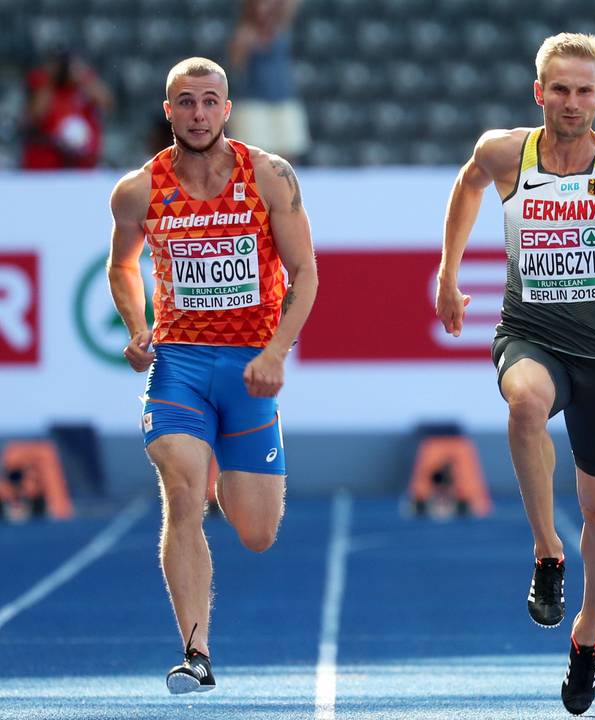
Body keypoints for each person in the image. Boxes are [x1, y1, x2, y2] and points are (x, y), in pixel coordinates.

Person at [434, 33, 595, 715]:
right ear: (539, 93)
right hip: (529, 333)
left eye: (583, 90)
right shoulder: (506, 152)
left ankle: (588, 635)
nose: (571, 102)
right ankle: (545, 551)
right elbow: (467, 183)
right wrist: (447, 272)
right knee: (525, 402)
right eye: (558, 89)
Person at [105, 57, 318, 695]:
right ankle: (195, 652)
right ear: (168, 111)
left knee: (256, 532)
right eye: (185, 103)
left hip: (250, 365)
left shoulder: (270, 176)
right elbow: (122, 267)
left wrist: (277, 352)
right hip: (180, 364)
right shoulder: (138, 191)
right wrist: (135, 326)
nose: (198, 114)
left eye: (209, 102)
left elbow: (305, 275)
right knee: (183, 491)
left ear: (227, 110)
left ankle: (227, 459)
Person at [227, 0, 310, 161]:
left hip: (284, 98)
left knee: (288, 157)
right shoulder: (244, 34)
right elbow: (236, 67)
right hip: (252, 101)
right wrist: (245, 46)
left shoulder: (282, 26)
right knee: (255, 158)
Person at [21, 49, 114, 169]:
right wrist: (50, 79)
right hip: (47, 162)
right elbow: (36, 115)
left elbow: (107, 103)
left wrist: (82, 76)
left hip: (83, 161)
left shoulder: (83, 83)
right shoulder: (42, 82)